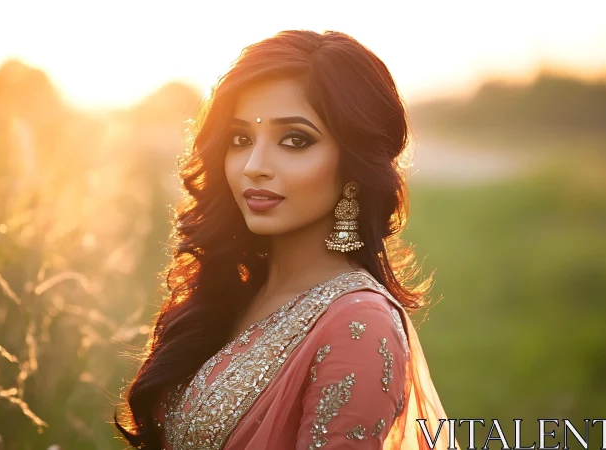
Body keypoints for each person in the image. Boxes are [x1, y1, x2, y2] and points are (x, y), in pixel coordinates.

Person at [115, 29, 459, 450]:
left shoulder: (360, 326)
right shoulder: (233, 292)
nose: (254, 165)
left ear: (354, 163)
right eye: (241, 139)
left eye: (295, 140)